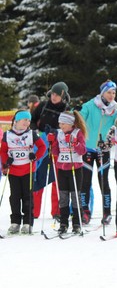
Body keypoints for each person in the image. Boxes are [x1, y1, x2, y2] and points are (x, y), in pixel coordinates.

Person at [79, 79, 117, 225]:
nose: (112, 95)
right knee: (85, 182)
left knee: (104, 182)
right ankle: (84, 211)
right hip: (87, 148)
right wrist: (76, 111)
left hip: (103, 148)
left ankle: (107, 212)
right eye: (109, 92)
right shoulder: (91, 105)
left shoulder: (115, 108)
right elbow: (79, 119)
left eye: (114, 92)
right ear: (102, 92)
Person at [1, 110, 46, 234]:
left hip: (28, 170)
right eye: (24, 119)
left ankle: (27, 222)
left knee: (27, 197)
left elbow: (42, 147)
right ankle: (15, 222)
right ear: (17, 120)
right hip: (14, 170)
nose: (27, 122)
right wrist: (6, 160)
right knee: (14, 197)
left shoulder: (31, 134)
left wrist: (35, 156)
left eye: (28, 120)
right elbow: (3, 151)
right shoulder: (7, 135)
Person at [30, 82, 70, 221]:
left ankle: (57, 211)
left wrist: (57, 132)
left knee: (57, 178)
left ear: (63, 96)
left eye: (57, 95)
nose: (54, 97)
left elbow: (69, 127)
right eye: (52, 94)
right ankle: (33, 211)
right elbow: (32, 120)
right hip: (41, 144)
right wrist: (35, 130)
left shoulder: (66, 108)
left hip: (58, 146)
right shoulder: (43, 105)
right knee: (38, 176)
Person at [48, 111, 87, 234]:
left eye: (64, 123)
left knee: (75, 196)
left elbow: (83, 151)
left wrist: (74, 143)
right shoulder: (59, 133)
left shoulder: (77, 133)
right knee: (63, 197)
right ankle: (63, 223)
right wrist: (52, 143)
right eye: (60, 123)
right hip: (62, 169)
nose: (61, 126)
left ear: (70, 124)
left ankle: (76, 223)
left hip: (75, 169)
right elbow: (56, 152)